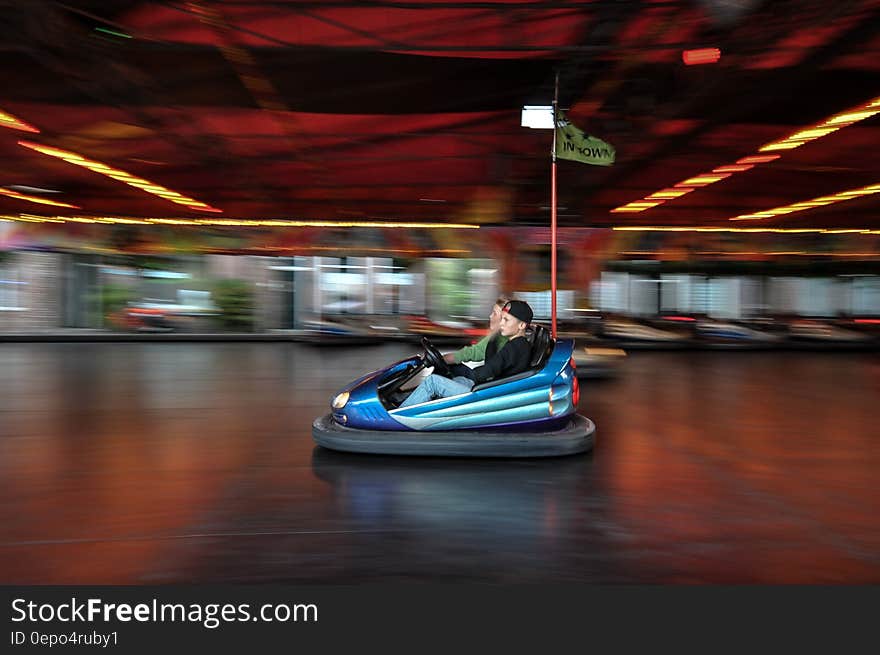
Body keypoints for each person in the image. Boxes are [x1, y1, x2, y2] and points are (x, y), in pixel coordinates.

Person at [399, 300, 534, 408]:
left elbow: (491, 369)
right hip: (491, 388)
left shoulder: (514, 347)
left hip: (488, 394)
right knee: (454, 378)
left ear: (522, 325)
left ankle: (398, 414)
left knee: (432, 382)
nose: (501, 323)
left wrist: (475, 376)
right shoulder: (519, 344)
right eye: (502, 319)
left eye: (506, 320)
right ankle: (415, 404)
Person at [443, 294, 511, 379]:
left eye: (494, 313)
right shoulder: (501, 337)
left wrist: (443, 359)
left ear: (503, 319)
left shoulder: (498, 340)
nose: (490, 316)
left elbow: (471, 353)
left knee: (433, 381)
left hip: (488, 385)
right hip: (488, 380)